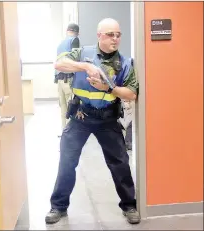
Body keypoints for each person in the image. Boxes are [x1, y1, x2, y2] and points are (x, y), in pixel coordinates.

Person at [46, 18, 140, 225]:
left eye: (118, 34)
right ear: (99, 35)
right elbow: (59, 63)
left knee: (120, 163)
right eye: (110, 34)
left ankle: (129, 205)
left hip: (108, 119)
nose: (115, 39)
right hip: (81, 116)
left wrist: (107, 88)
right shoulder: (82, 53)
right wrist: (84, 67)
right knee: (67, 161)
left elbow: (131, 93)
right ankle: (58, 206)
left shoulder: (125, 62)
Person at [55, 23, 80, 133]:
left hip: (60, 79)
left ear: (67, 30)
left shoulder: (60, 44)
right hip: (68, 79)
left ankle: (64, 131)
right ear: (77, 32)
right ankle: (73, 132)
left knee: (63, 107)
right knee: (72, 105)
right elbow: (76, 58)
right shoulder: (75, 40)